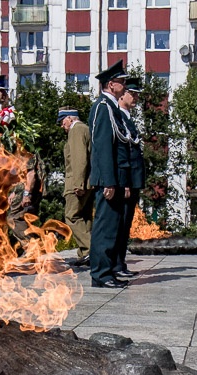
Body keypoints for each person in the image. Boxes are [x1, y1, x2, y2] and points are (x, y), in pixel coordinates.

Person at [87, 60, 131, 289]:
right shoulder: (103, 107)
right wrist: (108, 181)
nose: (125, 86)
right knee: (105, 228)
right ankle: (100, 274)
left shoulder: (111, 107)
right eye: (122, 81)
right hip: (109, 179)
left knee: (113, 227)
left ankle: (108, 270)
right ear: (111, 84)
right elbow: (103, 146)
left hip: (116, 177)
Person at [114, 77, 145, 278]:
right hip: (126, 180)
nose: (135, 98)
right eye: (132, 94)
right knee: (121, 223)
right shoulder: (118, 117)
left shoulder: (127, 117)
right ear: (122, 94)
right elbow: (122, 152)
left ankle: (120, 262)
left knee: (126, 224)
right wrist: (124, 182)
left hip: (133, 179)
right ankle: (116, 264)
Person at [58, 107, 93, 266]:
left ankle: (91, 250)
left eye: (62, 121)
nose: (62, 126)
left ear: (70, 118)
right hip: (88, 181)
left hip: (77, 182)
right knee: (85, 217)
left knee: (71, 216)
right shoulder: (85, 129)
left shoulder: (77, 130)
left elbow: (79, 158)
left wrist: (78, 183)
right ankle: (85, 253)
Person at [7, 154, 46, 250]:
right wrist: (14, 191)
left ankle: (34, 246)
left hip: (28, 192)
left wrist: (27, 194)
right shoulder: (20, 151)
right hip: (22, 191)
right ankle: (31, 247)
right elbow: (22, 174)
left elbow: (31, 174)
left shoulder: (27, 152)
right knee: (18, 219)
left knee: (14, 219)